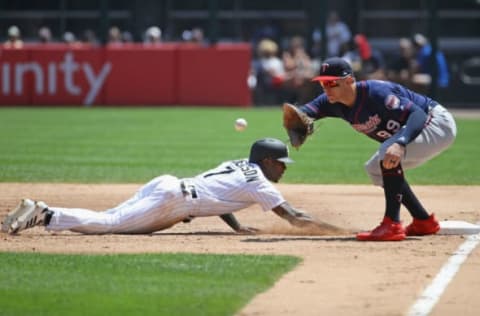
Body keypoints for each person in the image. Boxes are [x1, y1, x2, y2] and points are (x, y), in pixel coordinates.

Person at [2, 138, 338, 235]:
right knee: (108, 225)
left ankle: (36, 210)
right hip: (173, 202)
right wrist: (336, 231)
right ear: (266, 162)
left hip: (167, 184)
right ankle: (46, 214)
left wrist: (235, 226)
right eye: (281, 163)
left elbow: (219, 196)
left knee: (110, 216)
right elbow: (293, 217)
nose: (283, 169)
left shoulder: (237, 165)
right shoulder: (260, 184)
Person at [290, 57, 456, 241]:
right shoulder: (330, 101)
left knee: (388, 153)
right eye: (323, 84)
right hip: (418, 127)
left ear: (349, 81)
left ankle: (392, 224)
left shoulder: (376, 93)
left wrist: (400, 143)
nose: (327, 88)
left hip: (435, 122)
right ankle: (423, 221)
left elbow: (418, 114)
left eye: (332, 83)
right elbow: (302, 113)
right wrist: (294, 123)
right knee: (375, 168)